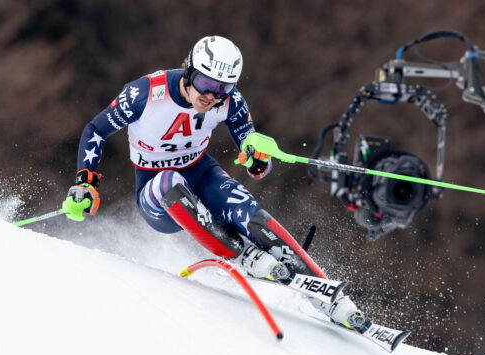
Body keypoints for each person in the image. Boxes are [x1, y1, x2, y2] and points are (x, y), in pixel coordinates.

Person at [62, 35, 366, 330]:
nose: (211, 96)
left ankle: (330, 298)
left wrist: (258, 160)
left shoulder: (230, 102)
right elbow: (95, 130)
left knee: (245, 207)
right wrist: (85, 182)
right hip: (156, 192)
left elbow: (254, 156)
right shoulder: (146, 93)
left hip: (201, 173)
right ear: (189, 71)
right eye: (206, 84)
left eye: (223, 88)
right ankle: (243, 254)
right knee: (170, 181)